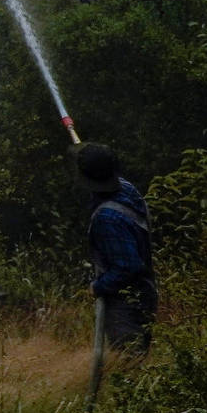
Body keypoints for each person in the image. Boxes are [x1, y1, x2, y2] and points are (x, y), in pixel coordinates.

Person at [77, 142, 157, 353]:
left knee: (128, 364)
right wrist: (92, 156)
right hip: (145, 291)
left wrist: (98, 286)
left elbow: (127, 267)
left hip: (127, 304)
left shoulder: (107, 219)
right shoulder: (126, 188)